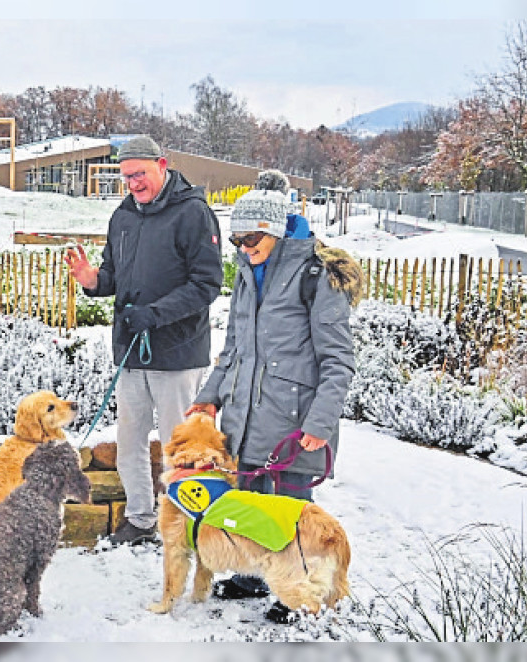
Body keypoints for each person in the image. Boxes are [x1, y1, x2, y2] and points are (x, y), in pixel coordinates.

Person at [184, 170, 358, 619]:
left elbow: (338, 360)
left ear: (276, 229)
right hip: (246, 415)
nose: (244, 247)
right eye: (238, 240)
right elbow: (235, 349)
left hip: (295, 420)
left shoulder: (317, 276)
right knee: (248, 500)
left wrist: (320, 423)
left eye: (252, 238)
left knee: (290, 510)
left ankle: (300, 590)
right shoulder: (247, 272)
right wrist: (210, 397)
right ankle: (251, 574)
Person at [65, 135, 223, 545]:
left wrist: (155, 314)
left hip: (178, 352)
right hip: (132, 348)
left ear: (162, 165)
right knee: (129, 442)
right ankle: (140, 519)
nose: (133, 183)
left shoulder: (193, 213)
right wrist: (92, 282)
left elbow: (207, 285)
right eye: (127, 176)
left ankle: (188, 525)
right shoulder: (123, 216)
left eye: (140, 174)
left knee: (182, 449)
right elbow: (114, 276)